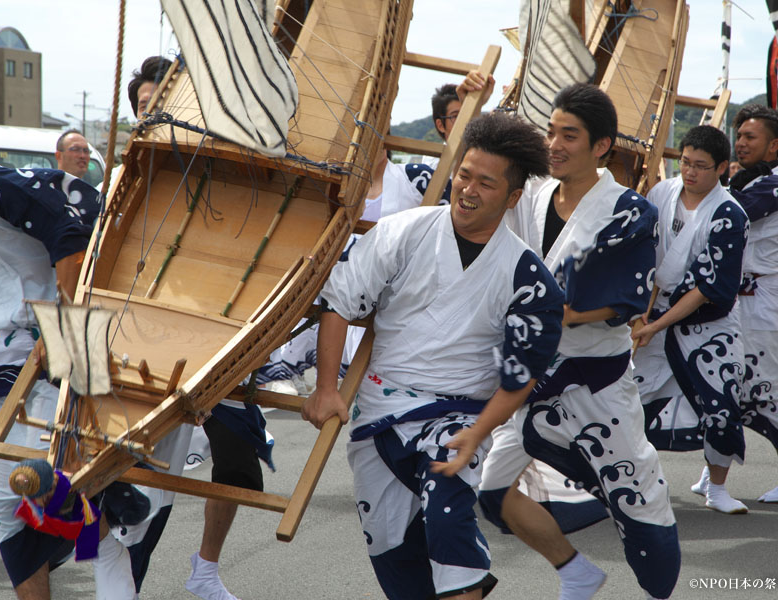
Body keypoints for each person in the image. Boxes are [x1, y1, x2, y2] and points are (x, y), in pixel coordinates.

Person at [302, 111, 564, 600]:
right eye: (464, 174)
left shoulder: (529, 278)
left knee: (448, 514)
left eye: (486, 183)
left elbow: (519, 379)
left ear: (511, 198)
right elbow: (340, 300)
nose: (467, 189)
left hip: (460, 419)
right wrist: (325, 389)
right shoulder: (404, 232)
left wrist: (478, 433)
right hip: (378, 412)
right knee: (394, 558)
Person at [463, 78, 680, 600]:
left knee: (638, 509)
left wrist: (562, 312)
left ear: (601, 145)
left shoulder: (629, 211)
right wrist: (482, 104)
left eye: (570, 135)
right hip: (533, 380)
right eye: (551, 132)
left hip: (596, 386)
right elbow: (483, 193)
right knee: (492, 493)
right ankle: (575, 570)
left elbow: (623, 301)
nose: (554, 145)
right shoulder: (532, 194)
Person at [0, 158, 137, 598]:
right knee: (9, 504)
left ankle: (107, 515)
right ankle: (102, 513)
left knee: (47, 482)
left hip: (48, 346)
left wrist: (63, 323)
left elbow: (74, 224)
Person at [632, 125, 750, 515]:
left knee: (721, 405)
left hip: (707, 322)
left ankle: (717, 486)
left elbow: (707, 286)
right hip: (653, 311)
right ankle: (629, 479)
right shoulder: (661, 193)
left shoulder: (729, 214)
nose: (690, 172)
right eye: (684, 162)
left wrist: (655, 325)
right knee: (630, 400)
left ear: (721, 168)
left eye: (701, 166)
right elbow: (646, 255)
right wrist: (641, 315)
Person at [720, 104, 778, 504]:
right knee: (722, 385)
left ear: (774, 146)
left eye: (750, 137)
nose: (740, 143)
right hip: (732, 299)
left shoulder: (774, 186)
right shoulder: (745, 180)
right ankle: (714, 475)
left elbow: (729, 216)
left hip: (762, 299)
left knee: (769, 387)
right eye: (738, 136)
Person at [422, 83, 462, 168]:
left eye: (467, 114)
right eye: (455, 116)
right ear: (440, 125)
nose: (464, 120)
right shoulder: (432, 163)